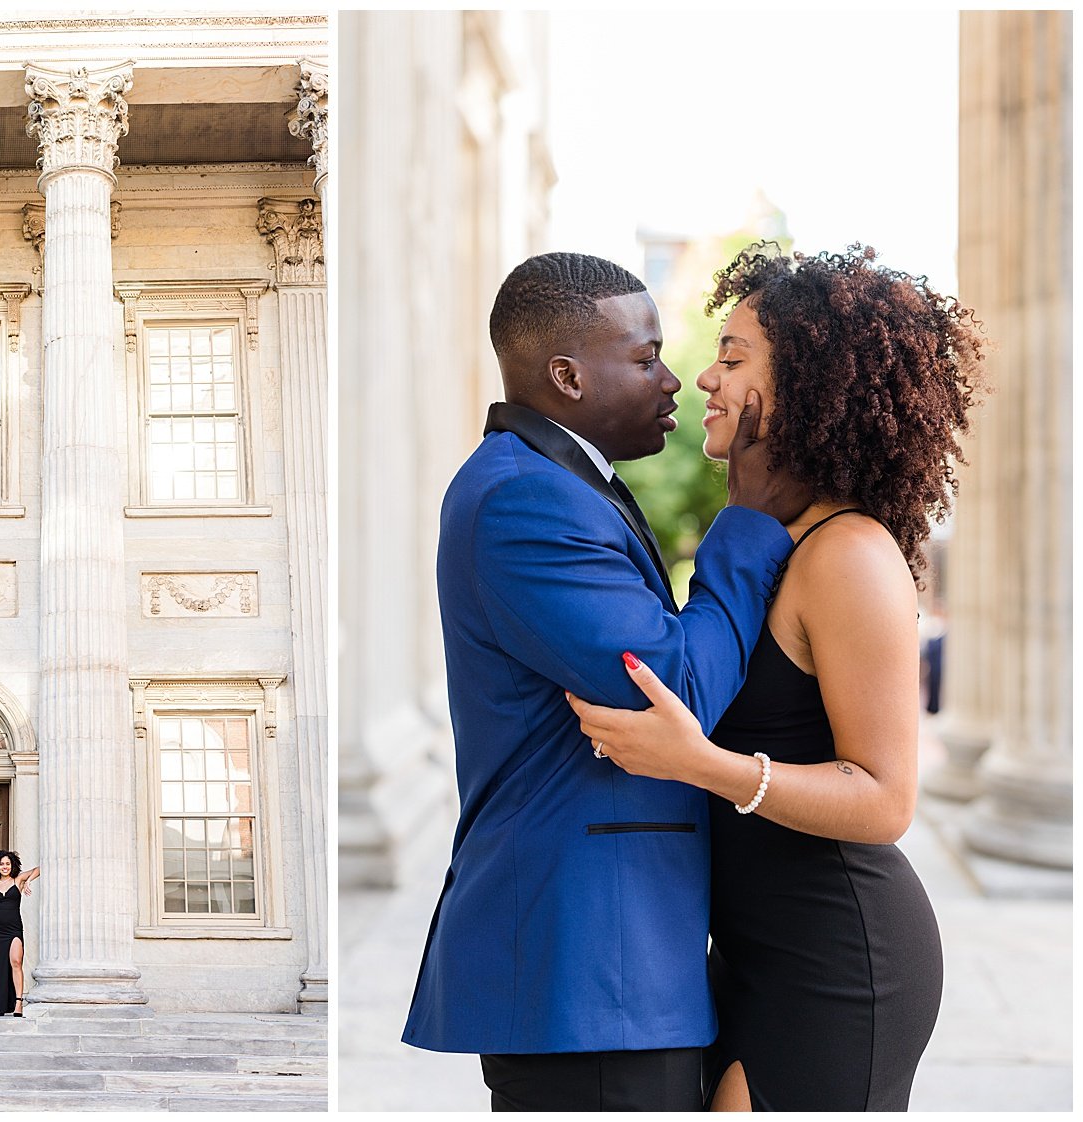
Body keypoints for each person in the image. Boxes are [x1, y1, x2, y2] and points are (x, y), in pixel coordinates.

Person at [568, 243, 985, 1111]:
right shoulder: (771, 544)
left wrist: (699, 764)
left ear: (807, 385)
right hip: (753, 950)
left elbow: (885, 799)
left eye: (733, 357)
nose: (705, 379)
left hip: (839, 959)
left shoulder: (849, 555)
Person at [402, 252, 813, 1111]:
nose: (674, 379)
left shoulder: (562, 484)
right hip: (589, 969)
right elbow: (676, 688)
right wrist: (747, 517)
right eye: (644, 356)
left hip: (617, 966)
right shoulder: (525, 500)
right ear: (568, 376)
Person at [0, 850, 40, 1017]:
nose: (5, 867)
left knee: (16, 961)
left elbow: (40, 868)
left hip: (14, 929)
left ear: (12, 865)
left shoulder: (18, 880)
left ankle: (18, 1003)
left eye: (7, 863)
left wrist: (28, 881)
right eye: (2, 864)